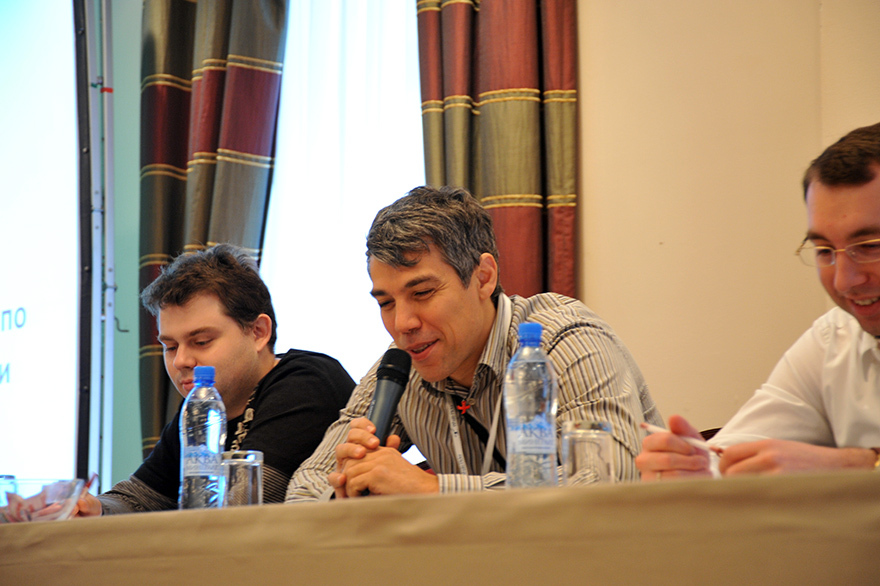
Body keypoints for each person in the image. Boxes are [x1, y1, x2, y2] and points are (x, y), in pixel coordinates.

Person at [286, 186, 662, 501]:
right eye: (386, 303)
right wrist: (344, 489)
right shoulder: (401, 367)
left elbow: (608, 481)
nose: (402, 324)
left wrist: (433, 489)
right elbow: (305, 487)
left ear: (483, 277)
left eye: (422, 292)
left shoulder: (563, 339)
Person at [636, 121, 880, 481]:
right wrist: (695, 473)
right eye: (824, 250)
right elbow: (729, 457)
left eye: (870, 247)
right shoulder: (835, 340)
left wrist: (857, 467)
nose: (844, 280)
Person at [75, 244, 355, 515]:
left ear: (258, 332)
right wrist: (92, 509)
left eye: (201, 341)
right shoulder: (201, 406)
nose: (181, 361)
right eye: (170, 346)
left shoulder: (307, 382)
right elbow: (140, 499)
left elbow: (242, 510)